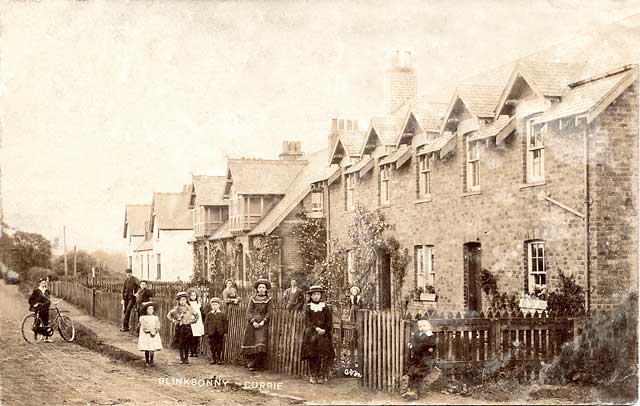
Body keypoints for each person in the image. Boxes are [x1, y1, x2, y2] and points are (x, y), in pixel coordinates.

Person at [301, 285, 335, 384]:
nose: (316, 296)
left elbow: (329, 321)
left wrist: (325, 329)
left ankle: (320, 374)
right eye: (314, 294)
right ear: (311, 296)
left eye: (318, 294)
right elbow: (307, 321)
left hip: (323, 334)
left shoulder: (324, 307)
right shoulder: (308, 307)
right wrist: (316, 328)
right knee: (312, 354)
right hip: (312, 334)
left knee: (322, 354)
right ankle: (312, 375)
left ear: (321, 295)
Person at [401, 319, 440, 400]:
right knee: (412, 373)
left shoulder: (430, 336)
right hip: (416, 358)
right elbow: (415, 343)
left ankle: (416, 393)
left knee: (419, 374)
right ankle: (410, 391)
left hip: (425, 359)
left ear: (429, 327)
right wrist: (415, 346)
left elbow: (429, 345)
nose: (422, 328)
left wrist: (414, 346)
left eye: (424, 326)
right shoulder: (417, 335)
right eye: (420, 326)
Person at [241, 278, 272, 371]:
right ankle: (251, 362)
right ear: (257, 289)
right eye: (260, 287)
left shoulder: (269, 300)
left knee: (260, 342)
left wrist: (263, 321)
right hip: (252, 323)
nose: (262, 289)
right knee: (250, 340)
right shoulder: (252, 299)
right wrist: (253, 321)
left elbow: (269, 312)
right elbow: (249, 312)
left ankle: (258, 363)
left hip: (262, 323)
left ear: (266, 289)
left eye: (263, 287)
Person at [167, 291, 199, 364]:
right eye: (181, 300)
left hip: (187, 328)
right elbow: (169, 315)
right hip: (180, 328)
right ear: (178, 301)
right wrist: (174, 320)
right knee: (181, 343)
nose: (182, 301)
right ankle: (181, 358)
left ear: (186, 300)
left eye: (184, 300)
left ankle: (186, 358)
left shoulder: (190, 308)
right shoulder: (176, 309)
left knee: (187, 343)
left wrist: (192, 321)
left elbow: (197, 315)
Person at [204, 297, 228, 365]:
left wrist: (225, 332)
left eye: (216, 305)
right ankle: (213, 358)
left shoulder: (222, 314)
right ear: (211, 306)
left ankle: (219, 358)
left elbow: (225, 323)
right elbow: (206, 324)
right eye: (213, 305)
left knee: (219, 346)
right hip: (211, 333)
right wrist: (206, 332)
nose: (214, 306)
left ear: (219, 305)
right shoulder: (209, 314)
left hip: (219, 333)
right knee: (212, 345)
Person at [28, 278, 53, 343]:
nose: (43, 284)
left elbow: (48, 299)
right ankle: (35, 338)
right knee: (37, 323)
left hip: (45, 309)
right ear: (39, 283)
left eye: (44, 283)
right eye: (42, 283)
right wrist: (34, 304)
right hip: (39, 309)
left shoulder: (47, 291)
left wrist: (50, 303)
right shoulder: (36, 291)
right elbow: (30, 299)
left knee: (46, 323)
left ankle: (46, 338)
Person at [138, 301, 162, 366]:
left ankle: (151, 361)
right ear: (146, 310)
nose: (151, 310)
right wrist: (149, 331)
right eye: (149, 309)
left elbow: (158, 325)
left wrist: (155, 331)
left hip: (153, 334)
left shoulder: (155, 317)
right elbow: (144, 327)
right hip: (147, 335)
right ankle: (147, 361)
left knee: (152, 348)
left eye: (152, 309)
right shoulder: (143, 318)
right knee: (147, 348)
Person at [186, 288, 205, 357]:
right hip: (191, 321)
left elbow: (202, 313)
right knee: (191, 337)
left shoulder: (199, 304)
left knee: (197, 337)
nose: (193, 297)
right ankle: (191, 351)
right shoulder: (188, 304)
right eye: (192, 295)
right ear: (189, 296)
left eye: (194, 295)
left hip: (198, 322)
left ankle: (195, 351)